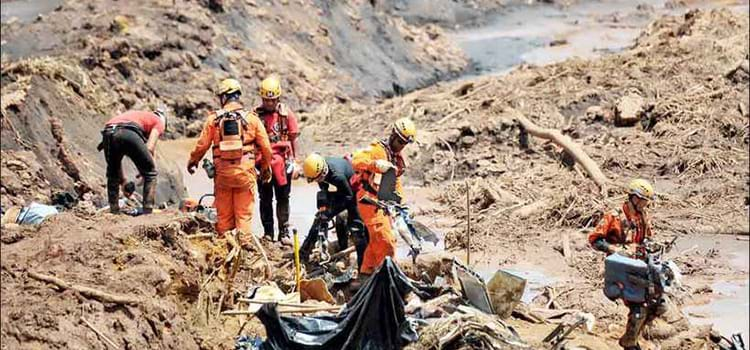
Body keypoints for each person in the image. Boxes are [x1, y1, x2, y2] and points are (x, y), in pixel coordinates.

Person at [188, 78, 273, 248]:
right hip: (245, 175)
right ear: (237, 96)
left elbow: (202, 145)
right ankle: (244, 254)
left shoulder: (213, 119)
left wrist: (193, 161)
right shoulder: (252, 119)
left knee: (224, 218)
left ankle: (223, 250)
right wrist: (265, 168)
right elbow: (266, 149)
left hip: (223, 176)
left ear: (223, 97)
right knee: (243, 216)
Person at [588, 178, 665, 350]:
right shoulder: (613, 216)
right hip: (621, 267)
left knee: (659, 304)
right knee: (638, 308)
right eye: (644, 201)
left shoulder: (643, 216)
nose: (646, 205)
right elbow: (595, 240)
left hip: (641, 265)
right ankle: (629, 343)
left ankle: (634, 336)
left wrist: (652, 245)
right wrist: (615, 249)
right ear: (635, 198)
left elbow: (648, 237)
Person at [352, 118, 417, 279]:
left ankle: (366, 274)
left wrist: (401, 203)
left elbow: (395, 183)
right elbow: (356, 161)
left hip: (383, 203)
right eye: (400, 142)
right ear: (393, 136)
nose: (401, 146)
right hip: (368, 200)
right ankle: (388, 276)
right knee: (386, 240)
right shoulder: (377, 150)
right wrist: (375, 164)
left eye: (404, 144)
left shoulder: (396, 159)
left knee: (377, 240)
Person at [299, 153, 366, 270]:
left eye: (316, 179)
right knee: (320, 217)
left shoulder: (337, 176)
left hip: (355, 192)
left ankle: (361, 265)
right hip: (343, 190)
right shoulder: (319, 167)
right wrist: (324, 207)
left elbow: (349, 197)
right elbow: (324, 186)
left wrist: (330, 213)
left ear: (322, 173)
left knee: (348, 222)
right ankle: (303, 253)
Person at [255, 75, 300, 242]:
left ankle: (284, 232)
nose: (269, 103)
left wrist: (295, 162)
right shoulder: (255, 116)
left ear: (278, 98)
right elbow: (249, 141)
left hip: (282, 163)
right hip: (262, 163)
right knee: (265, 199)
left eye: (272, 100)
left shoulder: (286, 115)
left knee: (283, 198)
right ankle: (268, 232)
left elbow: (294, 138)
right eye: (266, 100)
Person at [99, 107, 167, 214]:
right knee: (151, 174)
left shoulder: (139, 115)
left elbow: (116, 166)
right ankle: (147, 212)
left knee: (113, 173)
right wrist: (145, 171)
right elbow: (150, 147)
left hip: (108, 132)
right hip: (127, 132)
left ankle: (114, 211)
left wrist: (123, 181)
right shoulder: (159, 122)